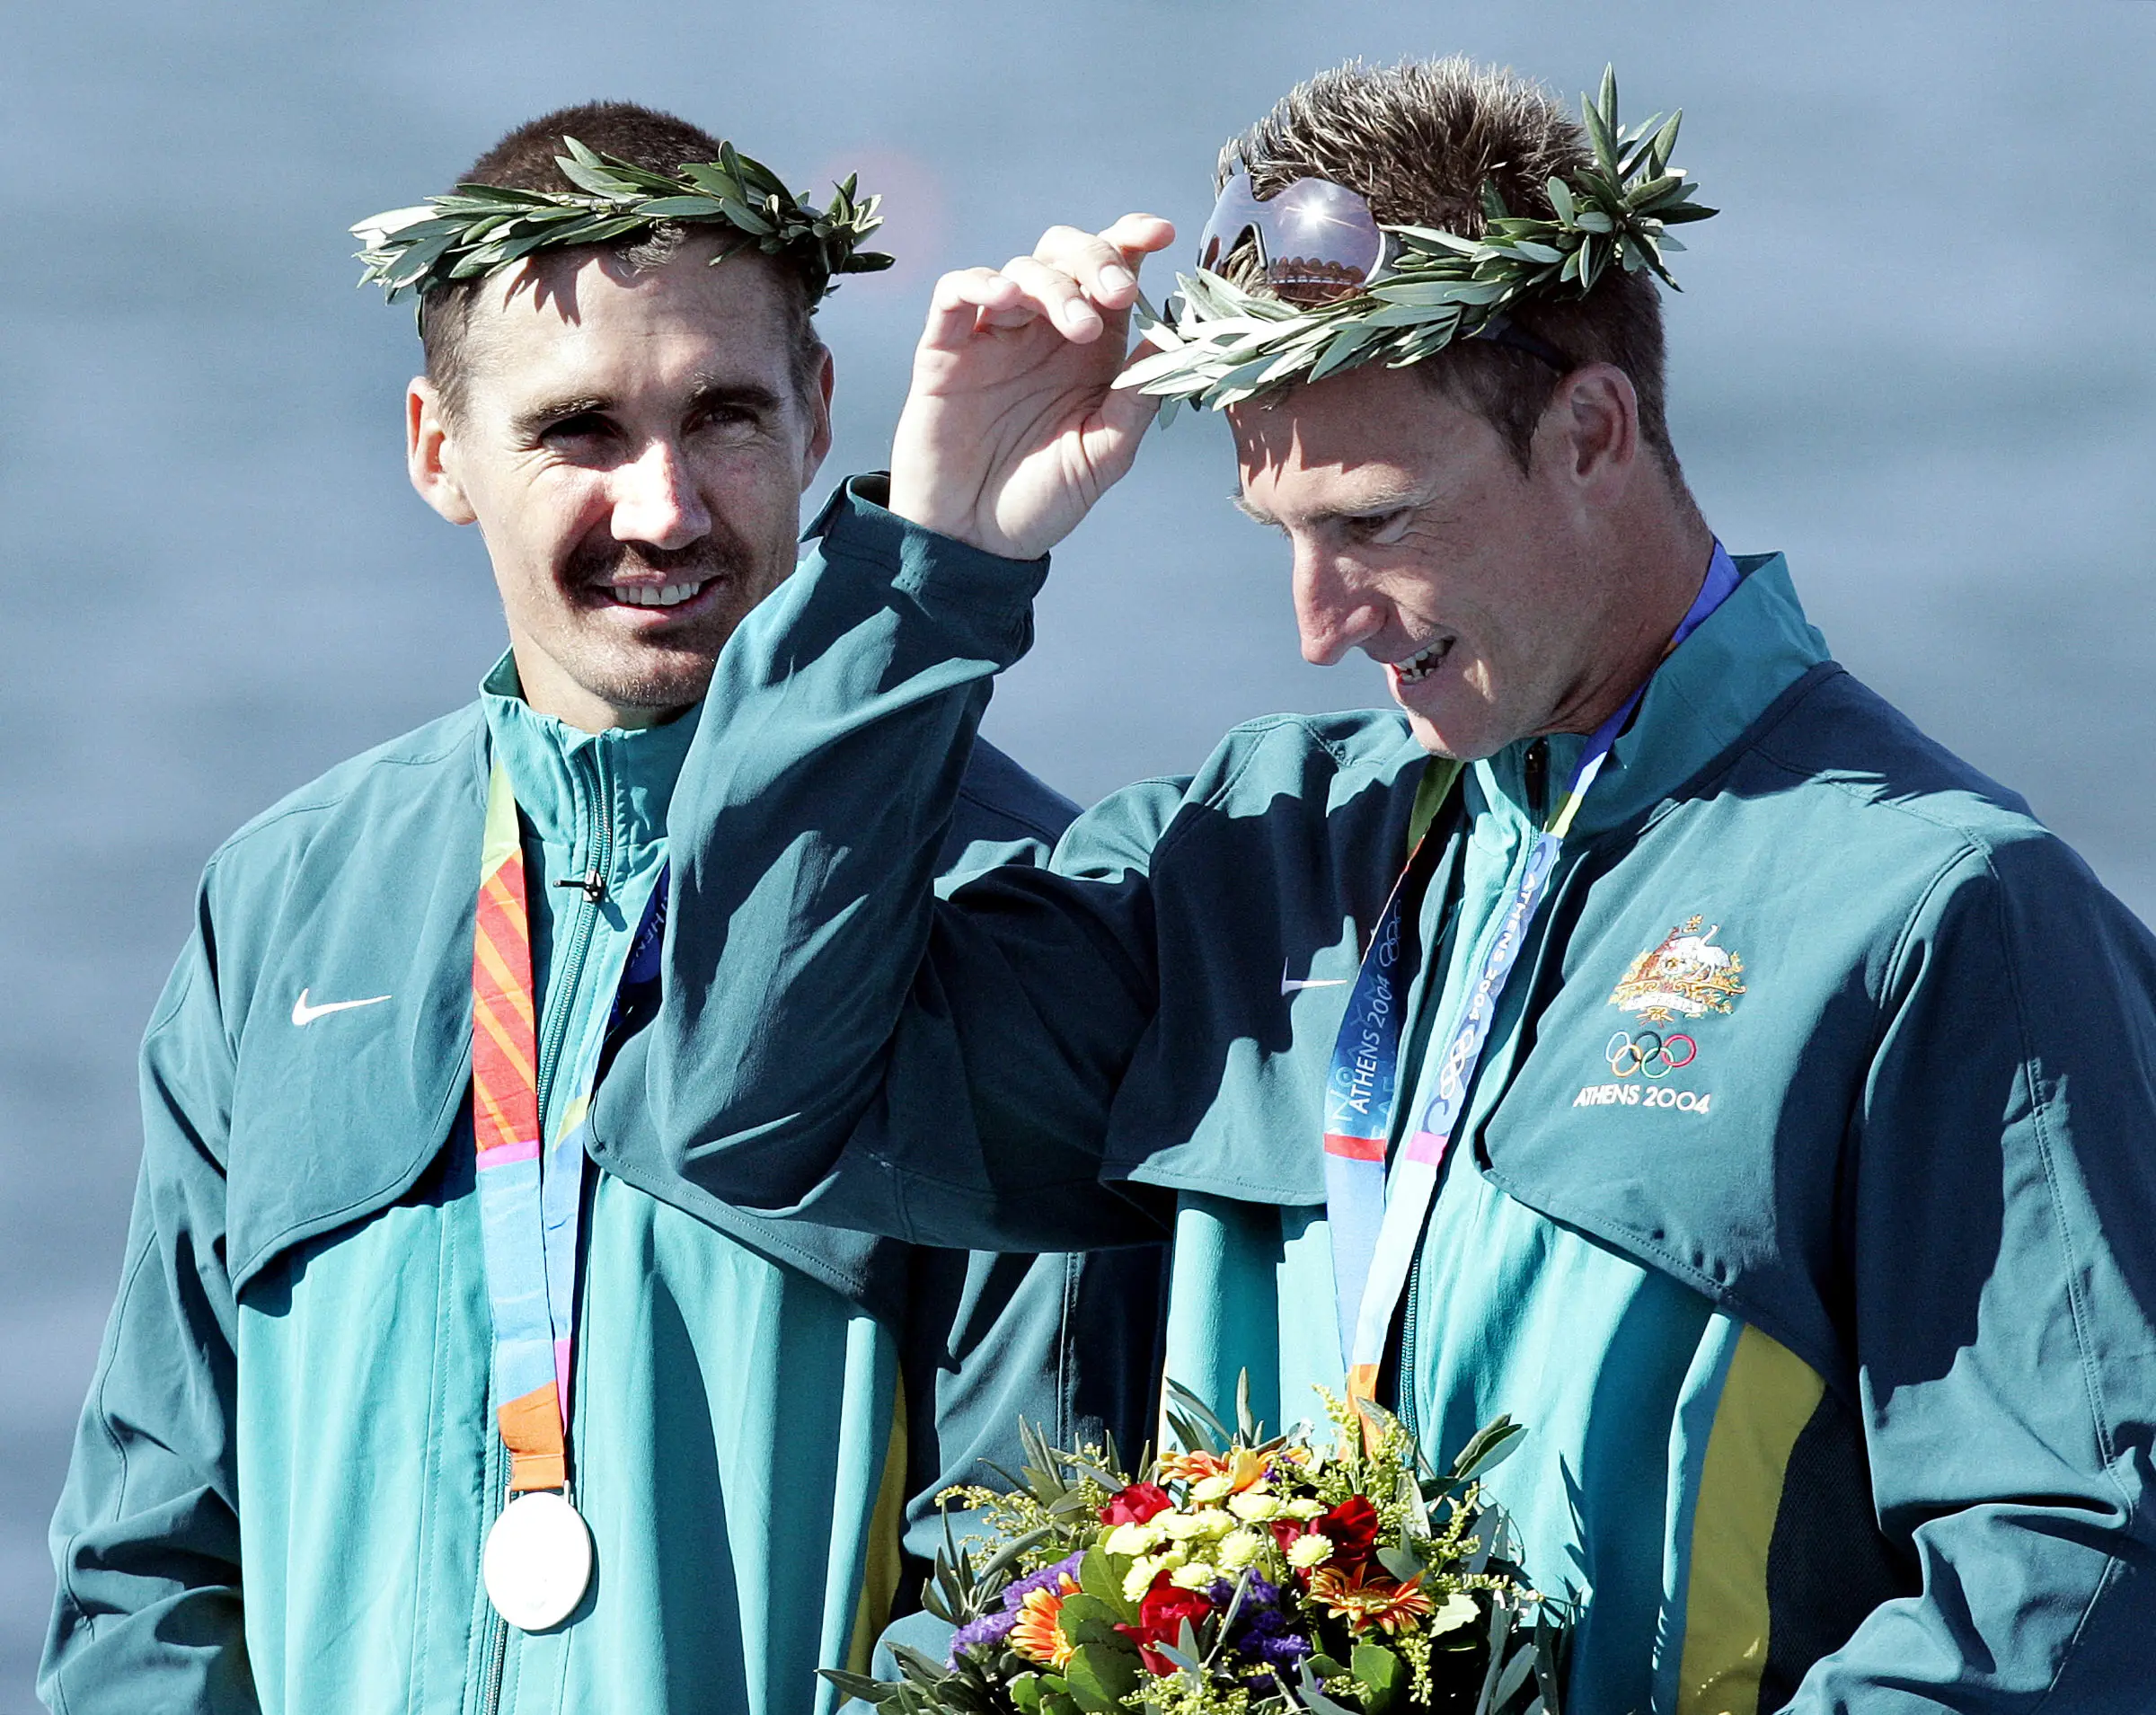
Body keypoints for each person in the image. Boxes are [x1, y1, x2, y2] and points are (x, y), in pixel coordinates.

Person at [602, 59, 2156, 1711]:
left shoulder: (1944, 917)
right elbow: (755, 1103)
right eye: (1279, 526)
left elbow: (2078, 1586)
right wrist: (936, 566)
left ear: (1593, 432)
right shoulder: (1257, 858)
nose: (1320, 622)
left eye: (1377, 521)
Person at [40, 102, 1162, 1715]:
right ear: (440, 451)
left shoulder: (997, 894)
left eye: (722, 415)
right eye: (579, 430)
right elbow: (149, 1567)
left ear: (818, 413)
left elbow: (1025, 1588)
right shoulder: (288, 894)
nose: (665, 510)